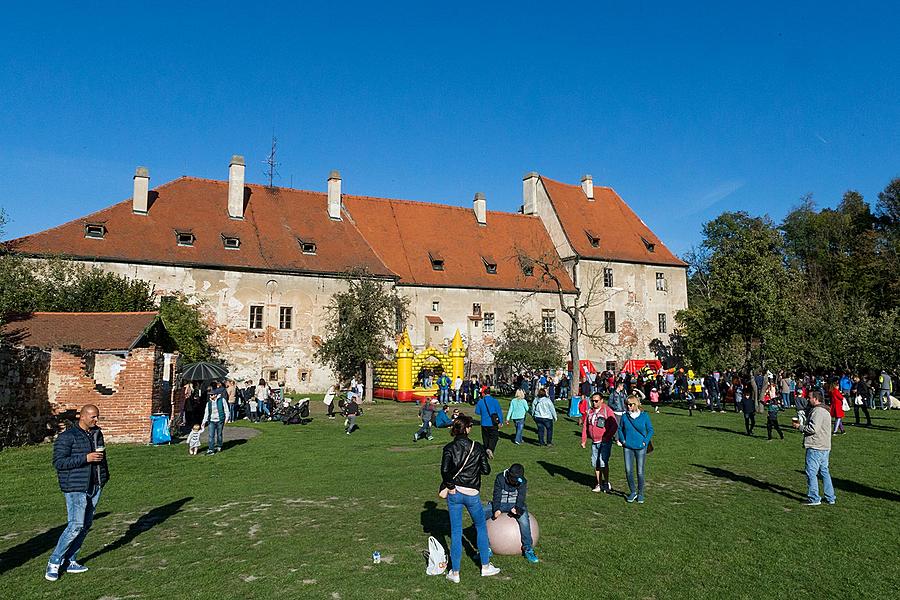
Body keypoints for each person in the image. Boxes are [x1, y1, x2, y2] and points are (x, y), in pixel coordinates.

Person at [46, 404, 109, 582]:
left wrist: (103, 478)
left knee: (86, 525)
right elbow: (59, 462)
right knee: (75, 525)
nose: (96, 420)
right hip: (76, 487)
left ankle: (70, 560)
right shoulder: (67, 437)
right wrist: (85, 458)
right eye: (93, 417)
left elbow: (102, 458)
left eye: (97, 416)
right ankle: (54, 562)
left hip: (95, 485)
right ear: (82, 417)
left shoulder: (97, 433)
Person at [440, 414, 499, 583]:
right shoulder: (477, 447)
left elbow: (444, 471)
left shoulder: (449, 448)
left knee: (456, 532)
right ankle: (485, 567)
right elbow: (486, 470)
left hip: (455, 493)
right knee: (481, 527)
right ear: (466, 428)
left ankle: (455, 573)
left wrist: (451, 487)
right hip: (472, 494)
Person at [489, 463, 539, 563]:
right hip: (501, 504)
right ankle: (485, 548)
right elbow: (497, 494)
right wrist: (496, 509)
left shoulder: (522, 481)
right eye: (514, 480)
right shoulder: (500, 478)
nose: (516, 482)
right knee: (480, 514)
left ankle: (528, 548)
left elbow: (521, 497)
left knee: (524, 521)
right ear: (509, 476)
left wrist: (518, 508)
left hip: (515, 505)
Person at [792, 391, 836, 506]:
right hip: (825, 446)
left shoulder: (818, 411)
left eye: (810, 397)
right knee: (824, 472)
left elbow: (813, 429)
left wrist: (799, 427)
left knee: (811, 472)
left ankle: (814, 498)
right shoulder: (825, 410)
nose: (808, 399)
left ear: (816, 399)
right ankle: (830, 497)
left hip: (816, 446)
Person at [616, 395, 653, 503]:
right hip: (628, 447)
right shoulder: (624, 417)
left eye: (630, 404)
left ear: (636, 404)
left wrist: (645, 442)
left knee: (640, 472)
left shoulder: (644, 416)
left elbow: (650, 430)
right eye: (627, 404)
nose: (628, 406)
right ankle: (633, 492)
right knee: (628, 470)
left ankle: (640, 493)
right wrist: (623, 440)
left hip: (641, 447)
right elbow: (620, 429)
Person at [581, 393, 618, 493]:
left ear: (602, 400)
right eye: (592, 401)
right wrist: (584, 439)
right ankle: (599, 483)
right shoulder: (590, 411)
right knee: (596, 463)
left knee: (603, 462)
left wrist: (607, 437)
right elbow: (585, 426)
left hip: (604, 442)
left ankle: (606, 482)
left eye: (596, 401)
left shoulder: (607, 410)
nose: (594, 403)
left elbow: (614, 425)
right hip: (594, 442)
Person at [201, 381, 230, 454]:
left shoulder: (222, 400)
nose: (210, 396)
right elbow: (206, 413)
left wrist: (227, 418)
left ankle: (219, 445)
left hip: (220, 419)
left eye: (212, 395)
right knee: (211, 435)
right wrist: (204, 422)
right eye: (210, 395)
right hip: (211, 420)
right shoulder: (209, 403)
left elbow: (226, 409)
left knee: (219, 434)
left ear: (216, 395)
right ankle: (211, 448)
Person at [474, 392, 504, 458]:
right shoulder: (495, 401)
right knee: (494, 436)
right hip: (493, 423)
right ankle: (490, 448)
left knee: (485, 438)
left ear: (483, 393)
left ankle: (486, 450)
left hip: (484, 423)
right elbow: (499, 412)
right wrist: (500, 421)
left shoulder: (481, 401)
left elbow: (477, 412)